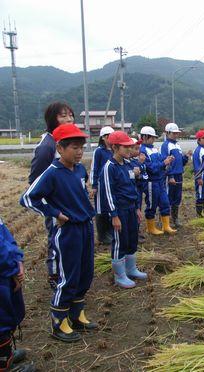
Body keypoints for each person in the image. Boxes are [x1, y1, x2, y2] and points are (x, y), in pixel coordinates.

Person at [20, 124, 98, 343]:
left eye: (82, 147)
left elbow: (80, 190)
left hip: (85, 226)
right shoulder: (52, 173)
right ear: (60, 148)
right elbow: (27, 198)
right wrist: (55, 213)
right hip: (67, 231)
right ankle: (59, 322)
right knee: (69, 275)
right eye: (74, 147)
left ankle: (77, 315)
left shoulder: (80, 169)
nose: (79, 152)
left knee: (86, 273)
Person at [28, 101, 74, 290]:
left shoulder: (61, 140)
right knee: (56, 241)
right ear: (52, 119)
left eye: (70, 115)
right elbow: (34, 182)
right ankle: (55, 277)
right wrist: (52, 210)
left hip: (67, 202)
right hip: (55, 205)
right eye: (63, 115)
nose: (68, 119)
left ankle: (67, 273)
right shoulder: (47, 146)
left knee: (66, 240)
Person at [99, 131, 147, 289]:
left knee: (132, 238)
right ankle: (119, 275)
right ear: (115, 147)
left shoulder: (127, 165)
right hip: (119, 211)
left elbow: (133, 187)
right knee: (120, 241)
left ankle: (131, 269)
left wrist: (137, 208)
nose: (129, 149)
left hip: (131, 209)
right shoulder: (109, 167)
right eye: (125, 147)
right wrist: (114, 216)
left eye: (130, 146)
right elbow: (108, 193)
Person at [0, 217, 35, 371]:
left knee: (7, 313)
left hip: (5, 268)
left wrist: (17, 260)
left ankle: (5, 354)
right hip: (3, 269)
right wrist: (12, 269)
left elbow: (5, 235)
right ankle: (3, 365)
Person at [139, 126, 176, 235]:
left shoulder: (154, 148)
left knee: (165, 202)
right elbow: (150, 168)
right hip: (151, 182)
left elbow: (160, 162)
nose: (153, 140)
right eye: (152, 137)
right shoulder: (142, 150)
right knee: (152, 204)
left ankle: (166, 226)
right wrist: (163, 163)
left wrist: (166, 161)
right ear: (145, 137)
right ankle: (151, 228)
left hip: (160, 180)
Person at [161, 123, 191, 228]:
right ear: (167, 133)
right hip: (171, 175)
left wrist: (186, 157)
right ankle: (166, 220)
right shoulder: (166, 145)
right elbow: (166, 162)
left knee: (177, 198)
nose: (176, 135)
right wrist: (170, 176)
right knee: (168, 197)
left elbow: (180, 162)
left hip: (179, 174)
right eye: (174, 133)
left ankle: (175, 219)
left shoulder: (177, 145)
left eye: (177, 133)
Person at [91, 126, 115, 245]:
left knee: (111, 207)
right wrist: (94, 185)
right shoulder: (99, 151)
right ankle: (102, 235)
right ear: (104, 137)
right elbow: (94, 168)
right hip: (101, 184)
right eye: (109, 136)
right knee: (101, 208)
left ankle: (110, 232)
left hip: (111, 183)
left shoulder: (113, 150)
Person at [127, 139, 148, 242]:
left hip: (137, 190)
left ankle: (136, 231)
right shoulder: (128, 162)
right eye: (135, 149)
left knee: (138, 210)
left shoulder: (136, 161)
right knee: (133, 212)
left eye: (138, 148)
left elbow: (142, 174)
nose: (138, 151)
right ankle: (133, 233)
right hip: (131, 191)